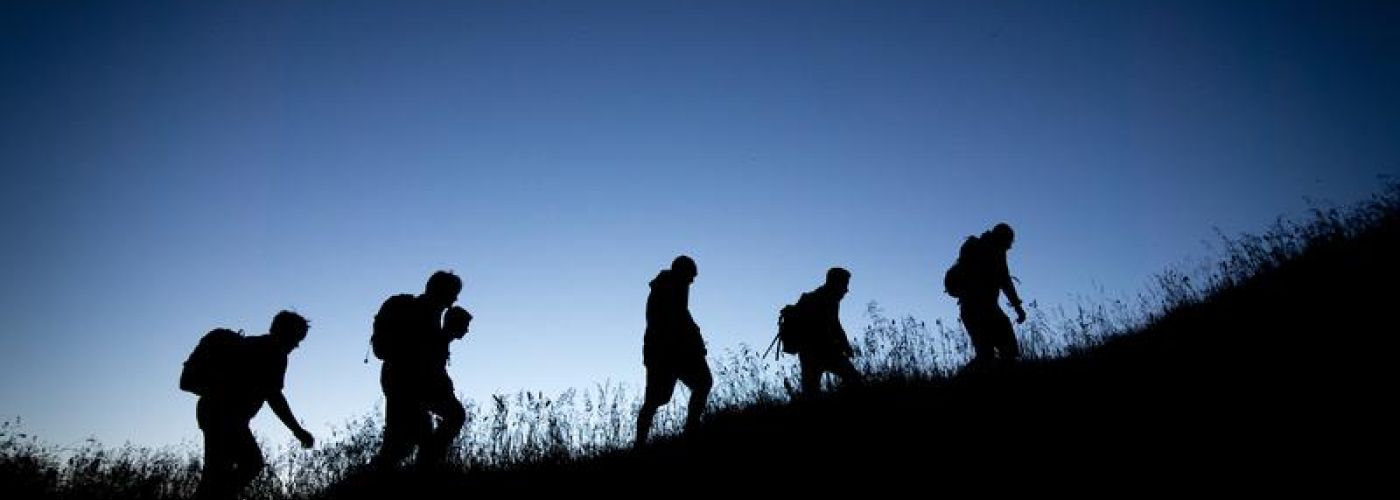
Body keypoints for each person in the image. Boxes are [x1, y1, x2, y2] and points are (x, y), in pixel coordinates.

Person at [189, 311, 314, 500]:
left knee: (217, 472)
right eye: (296, 338)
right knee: (249, 464)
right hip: (226, 417)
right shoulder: (274, 352)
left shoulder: (253, 344)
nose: (296, 345)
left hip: (213, 412)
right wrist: (297, 430)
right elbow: (274, 396)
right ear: (285, 332)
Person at [372, 271, 472, 469]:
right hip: (406, 383)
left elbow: (431, 360)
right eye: (453, 293)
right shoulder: (421, 313)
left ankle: (419, 470)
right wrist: (448, 335)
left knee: (404, 442)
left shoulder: (430, 314)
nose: (454, 299)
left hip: (402, 381)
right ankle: (418, 474)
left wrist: (446, 335)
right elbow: (421, 357)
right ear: (441, 291)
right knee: (404, 443)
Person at [635, 255, 712, 446]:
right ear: (682, 272)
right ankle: (641, 443)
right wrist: (693, 342)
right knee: (656, 399)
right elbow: (672, 322)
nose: (692, 281)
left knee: (702, 383)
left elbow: (683, 319)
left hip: (674, 352)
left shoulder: (672, 288)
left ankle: (690, 429)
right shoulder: (667, 289)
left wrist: (695, 341)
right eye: (690, 276)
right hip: (666, 354)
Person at [954, 223, 1027, 371]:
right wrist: (1018, 308)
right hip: (982, 310)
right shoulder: (994, 253)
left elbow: (1004, 281)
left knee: (987, 356)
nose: (1010, 247)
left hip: (974, 309)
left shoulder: (979, 248)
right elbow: (1005, 282)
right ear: (1002, 239)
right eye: (1009, 242)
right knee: (1001, 353)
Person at [793, 267, 863, 395]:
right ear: (835, 283)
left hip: (809, 352)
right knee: (854, 380)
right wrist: (845, 346)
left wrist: (844, 345)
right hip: (823, 351)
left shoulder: (821, 298)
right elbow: (834, 325)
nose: (846, 290)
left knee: (810, 392)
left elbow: (835, 324)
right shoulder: (827, 300)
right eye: (844, 284)